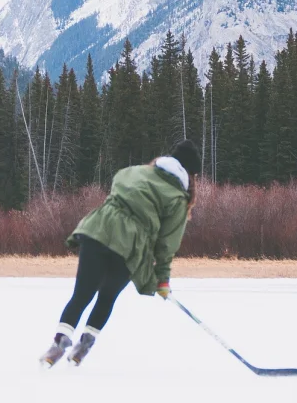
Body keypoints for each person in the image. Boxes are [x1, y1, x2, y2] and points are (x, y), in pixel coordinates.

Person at [40, 139, 203, 368]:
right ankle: (84, 346)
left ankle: (58, 343)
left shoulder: (134, 171)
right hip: (131, 246)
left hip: (99, 230)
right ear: (190, 175)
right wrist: (162, 279)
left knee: (82, 295)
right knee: (107, 296)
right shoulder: (178, 199)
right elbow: (167, 244)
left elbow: (117, 182)